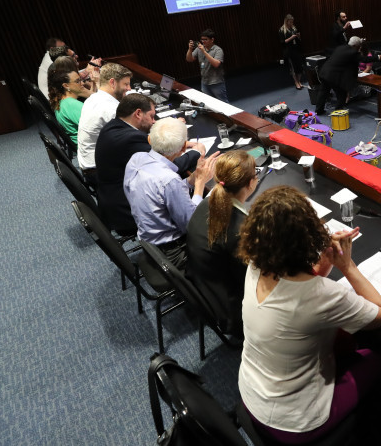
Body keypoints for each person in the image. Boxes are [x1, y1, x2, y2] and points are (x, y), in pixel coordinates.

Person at [237, 186, 381, 444]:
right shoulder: (321, 294)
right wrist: (347, 266)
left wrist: (326, 261)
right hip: (296, 422)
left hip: (251, 393)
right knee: (380, 359)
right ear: (309, 236)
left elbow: (299, 282)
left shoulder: (255, 265)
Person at [95, 94, 202, 234]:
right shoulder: (131, 139)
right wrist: (196, 152)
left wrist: (182, 143)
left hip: (110, 198)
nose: (153, 122)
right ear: (138, 113)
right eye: (152, 116)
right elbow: (169, 163)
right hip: (125, 210)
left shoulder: (114, 126)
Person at [124, 117, 219, 268]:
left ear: (149, 139)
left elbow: (160, 193)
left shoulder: (136, 159)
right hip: (174, 252)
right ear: (183, 149)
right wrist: (200, 184)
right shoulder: (168, 180)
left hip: (150, 244)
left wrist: (190, 180)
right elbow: (192, 224)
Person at [185, 150, 258, 332]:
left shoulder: (206, 203)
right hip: (233, 312)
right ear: (251, 183)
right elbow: (255, 280)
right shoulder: (240, 231)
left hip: (207, 291)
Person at [76, 62, 133, 183]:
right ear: (112, 83)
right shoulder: (110, 108)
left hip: (88, 164)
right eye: (126, 84)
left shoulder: (93, 98)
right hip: (98, 171)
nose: (129, 89)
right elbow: (133, 136)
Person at [316, 36, 362, 115]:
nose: (359, 48)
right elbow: (364, 59)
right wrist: (378, 57)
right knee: (341, 94)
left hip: (324, 72)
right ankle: (338, 112)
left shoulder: (340, 47)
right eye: (359, 46)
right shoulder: (353, 52)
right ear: (355, 46)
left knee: (323, 92)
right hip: (333, 76)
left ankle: (319, 110)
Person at [47, 65, 91, 144]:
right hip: (90, 146)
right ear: (66, 86)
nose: (82, 83)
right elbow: (96, 127)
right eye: (77, 81)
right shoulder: (71, 105)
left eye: (80, 80)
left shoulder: (63, 101)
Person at [186, 29, 227, 102]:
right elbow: (189, 59)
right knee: (209, 103)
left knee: (223, 102)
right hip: (204, 82)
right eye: (202, 39)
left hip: (216, 82)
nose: (203, 41)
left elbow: (216, 64)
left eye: (206, 39)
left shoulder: (217, 50)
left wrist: (204, 52)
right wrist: (190, 49)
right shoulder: (199, 49)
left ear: (212, 40)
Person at [279, 14, 305, 90]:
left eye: (292, 22)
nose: (291, 23)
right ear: (286, 21)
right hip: (289, 51)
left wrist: (298, 37)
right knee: (293, 67)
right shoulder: (282, 30)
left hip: (296, 49)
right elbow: (282, 42)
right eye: (290, 22)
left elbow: (298, 40)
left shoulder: (294, 28)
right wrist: (291, 37)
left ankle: (299, 81)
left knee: (299, 66)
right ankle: (296, 82)